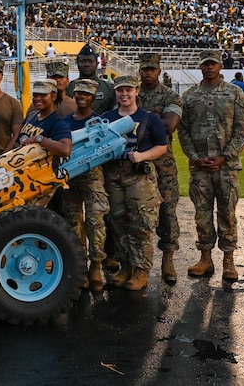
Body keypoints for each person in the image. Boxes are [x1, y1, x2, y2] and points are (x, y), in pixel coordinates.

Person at [178, 50, 244, 283]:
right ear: (200, 67)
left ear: (220, 66)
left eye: (213, 64)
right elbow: (183, 131)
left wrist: (224, 157)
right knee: (202, 214)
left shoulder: (235, 93)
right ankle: (205, 258)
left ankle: (228, 261)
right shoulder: (189, 96)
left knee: (227, 213)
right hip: (199, 166)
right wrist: (195, 157)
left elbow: (241, 131)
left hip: (226, 168)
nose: (209, 68)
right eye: (205, 64)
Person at [102, 76, 167, 291]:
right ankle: (125, 266)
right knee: (118, 222)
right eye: (120, 90)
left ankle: (141, 270)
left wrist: (142, 156)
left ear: (136, 91)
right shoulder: (107, 118)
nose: (124, 94)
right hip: (113, 175)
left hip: (139, 176)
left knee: (141, 222)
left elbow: (161, 146)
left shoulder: (149, 118)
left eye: (128, 90)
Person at [137, 52, 183, 284]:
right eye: (144, 69)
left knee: (167, 212)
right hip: (136, 164)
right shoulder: (130, 93)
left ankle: (168, 259)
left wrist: (135, 122)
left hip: (163, 165)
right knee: (137, 214)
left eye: (152, 69)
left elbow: (169, 125)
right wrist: (153, 119)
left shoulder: (170, 95)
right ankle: (139, 265)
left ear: (158, 70)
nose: (148, 73)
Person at [62, 79, 109, 292]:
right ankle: (80, 268)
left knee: (95, 220)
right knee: (73, 223)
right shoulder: (65, 122)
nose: (81, 97)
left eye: (86, 94)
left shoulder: (99, 121)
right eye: (78, 93)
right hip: (70, 178)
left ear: (93, 97)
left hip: (92, 176)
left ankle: (96, 266)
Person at [16, 79, 72, 158]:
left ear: (54, 96)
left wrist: (39, 139)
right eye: (35, 95)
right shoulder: (31, 116)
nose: (37, 98)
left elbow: (65, 150)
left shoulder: (57, 123)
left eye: (43, 95)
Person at [66, 44, 115, 114]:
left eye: (90, 61)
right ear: (77, 63)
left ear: (97, 64)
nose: (87, 64)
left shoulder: (109, 88)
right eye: (83, 61)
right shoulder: (69, 87)